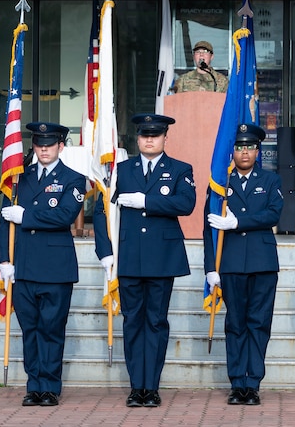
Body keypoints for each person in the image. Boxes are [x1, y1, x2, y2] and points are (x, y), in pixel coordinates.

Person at [94, 113, 197, 408]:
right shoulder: (121, 170)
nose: (149, 139)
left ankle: (151, 387)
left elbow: (185, 203)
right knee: (132, 322)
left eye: (155, 134)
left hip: (162, 258)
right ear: (137, 138)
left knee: (155, 321)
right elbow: (102, 211)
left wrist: (146, 201)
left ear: (166, 137)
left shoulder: (179, 169)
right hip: (127, 257)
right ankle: (135, 386)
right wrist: (105, 251)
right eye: (144, 135)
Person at [0, 122, 87, 408]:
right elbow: (3, 224)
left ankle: (50, 386)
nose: (44, 149)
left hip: (54, 267)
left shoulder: (73, 178)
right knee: (30, 329)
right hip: (23, 265)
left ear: (61, 146)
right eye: (39, 144)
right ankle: (33, 385)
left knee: (51, 328)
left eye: (49, 144)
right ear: (33, 147)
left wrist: (28, 217)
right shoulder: (17, 178)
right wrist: (4, 260)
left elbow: (64, 216)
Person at [204, 123, 284, 406]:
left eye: (250, 147)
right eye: (239, 147)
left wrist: (238, 222)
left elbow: (273, 214)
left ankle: (254, 383)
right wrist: (210, 269)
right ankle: (237, 383)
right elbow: (208, 230)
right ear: (232, 152)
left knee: (259, 323)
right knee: (236, 324)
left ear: (257, 150)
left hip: (262, 263)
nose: (245, 152)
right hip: (231, 263)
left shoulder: (271, 180)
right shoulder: (220, 182)